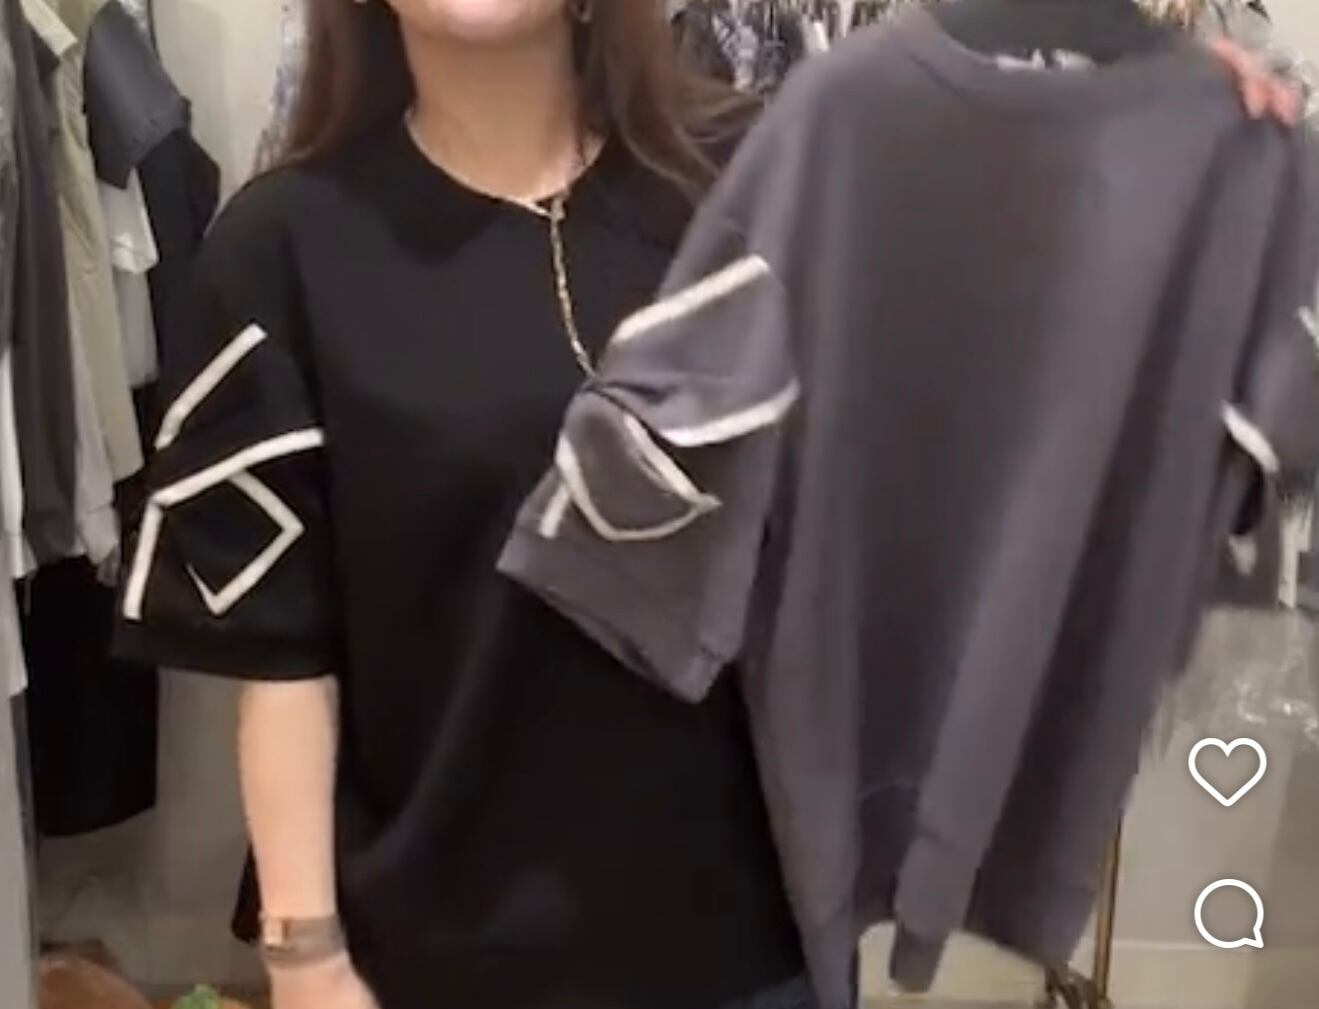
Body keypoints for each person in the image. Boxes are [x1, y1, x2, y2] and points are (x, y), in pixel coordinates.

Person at [114, 3, 1299, 1009]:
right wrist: (307, 957)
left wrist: (1165, 119)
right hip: (437, 958)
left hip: (746, 947)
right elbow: (285, 662)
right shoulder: (281, 250)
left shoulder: (759, 171)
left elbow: (1022, 272)